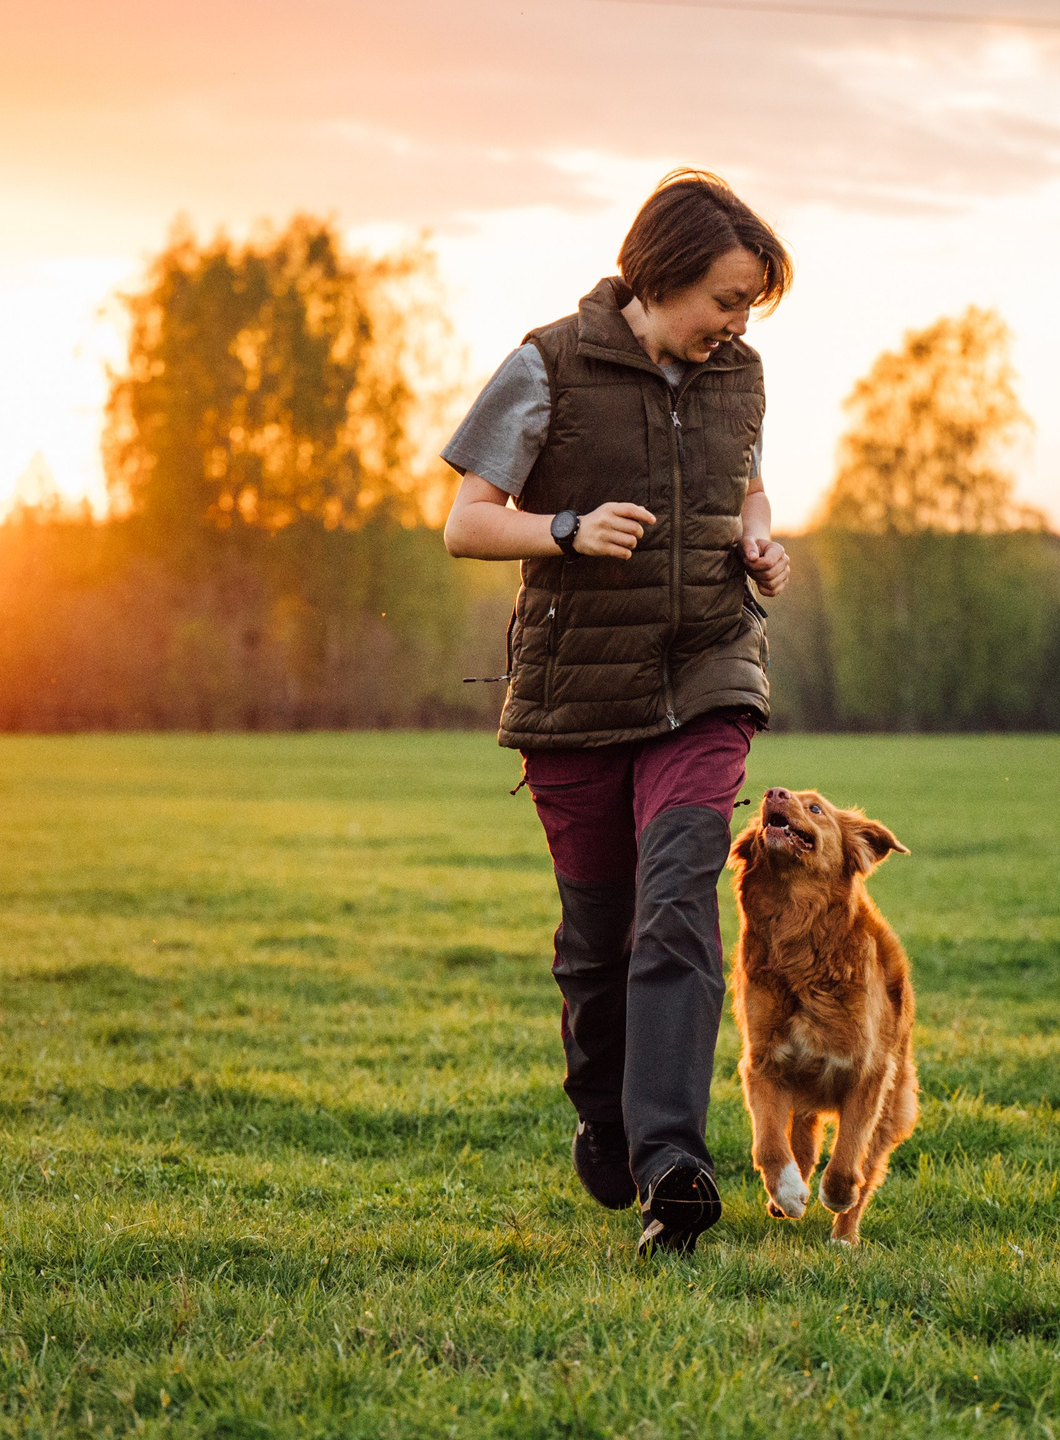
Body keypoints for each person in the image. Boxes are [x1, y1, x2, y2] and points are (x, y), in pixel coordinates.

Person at [440, 169, 793, 1257]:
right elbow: (465, 522)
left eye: (750, 308)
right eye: (727, 300)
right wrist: (566, 529)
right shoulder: (545, 365)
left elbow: (748, 486)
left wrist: (760, 542)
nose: (736, 327)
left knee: (680, 903)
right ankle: (604, 1112)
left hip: (706, 670)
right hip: (576, 692)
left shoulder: (739, 378)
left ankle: (672, 1167)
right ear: (664, 272)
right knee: (598, 939)